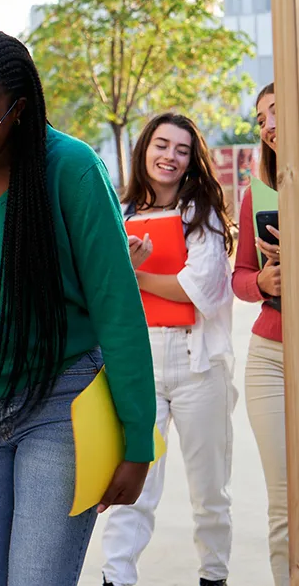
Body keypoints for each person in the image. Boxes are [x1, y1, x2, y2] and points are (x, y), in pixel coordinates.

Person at [0, 29, 156, 586]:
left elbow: (118, 311)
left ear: (18, 110)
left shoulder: (71, 168)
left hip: (62, 401)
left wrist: (137, 441)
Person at [101, 113, 236, 586]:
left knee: (210, 492)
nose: (170, 156)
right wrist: (130, 277)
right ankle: (115, 578)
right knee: (132, 487)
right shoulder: (120, 214)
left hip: (199, 367)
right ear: (144, 150)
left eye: (182, 149)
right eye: (162, 145)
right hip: (141, 367)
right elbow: (101, 294)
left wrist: (133, 276)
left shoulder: (205, 214)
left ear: (191, 159)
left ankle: (213, 576)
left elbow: (200, 286)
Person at [234, 81, 286, 585]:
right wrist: (262, 280)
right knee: (284, 503)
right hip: (269, 356)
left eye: (276, 112)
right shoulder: (258, 194)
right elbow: (239, 277)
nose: (267, 125)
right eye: (261, 119)